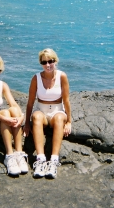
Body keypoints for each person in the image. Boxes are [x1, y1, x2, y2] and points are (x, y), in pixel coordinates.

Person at [23, 48, 72, 179]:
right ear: (41, 63)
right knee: (37, 117)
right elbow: (30, 103)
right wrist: (27, 124)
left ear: (55, 61)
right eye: (44, 62)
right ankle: (40, 160)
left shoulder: (62, 76)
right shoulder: (36, 78)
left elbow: (66, 101)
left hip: (57, 110)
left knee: (60, 118)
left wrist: (69, 121)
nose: (48, 65)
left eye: (50, 61)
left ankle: (54, 161)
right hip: (42, 110)